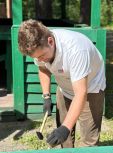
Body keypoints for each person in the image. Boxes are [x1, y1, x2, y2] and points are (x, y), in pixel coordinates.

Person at [18, 19, 106, 148]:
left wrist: (66, 127)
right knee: (64, 138)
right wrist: (46, 96)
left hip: (90, 88)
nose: (40, 60)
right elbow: (43, 69)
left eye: (42, 56)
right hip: (65, 88)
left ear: (51, 41)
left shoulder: (76, 50)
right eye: (36, 58)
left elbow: (81, 93)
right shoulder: (40, 50)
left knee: (88, 141)